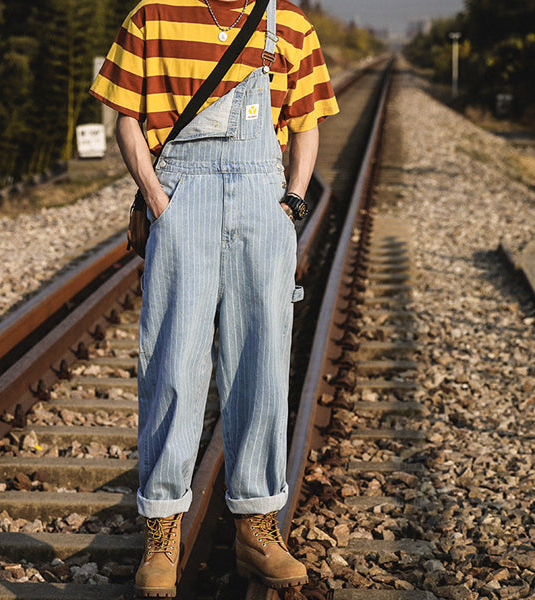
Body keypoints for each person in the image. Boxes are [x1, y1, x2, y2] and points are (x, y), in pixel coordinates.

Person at [90, 0, 338, 595]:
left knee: (262, 364)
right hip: (182, 198)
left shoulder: (293, 26)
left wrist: (292, 205)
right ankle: (161, 533)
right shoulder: (152, 15)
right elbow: (126, 116)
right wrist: (157, 202)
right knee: (173, 364)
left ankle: (257, 526)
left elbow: (305, 123)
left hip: (262, 200)